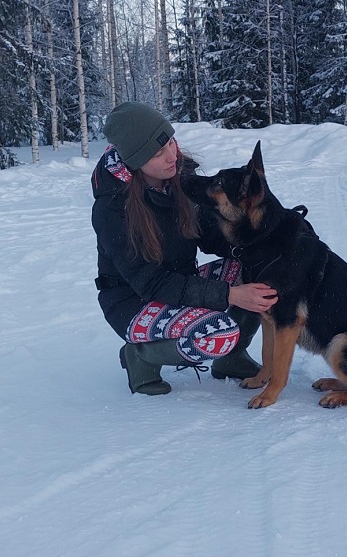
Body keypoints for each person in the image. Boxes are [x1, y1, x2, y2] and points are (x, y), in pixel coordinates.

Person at [90, 102, 277, 395]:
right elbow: (151, 282)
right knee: (217, 334)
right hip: (133, 302)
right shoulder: (112, 208)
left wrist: (272, 239)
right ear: (135, 161)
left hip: (180, 286)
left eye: (170, 142)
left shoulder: (179, 180)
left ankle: (232, 359)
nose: (171, 156)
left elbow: (212, 235)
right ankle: (139, 356)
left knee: (260, 268)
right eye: (156, 153)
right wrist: (230, 295)